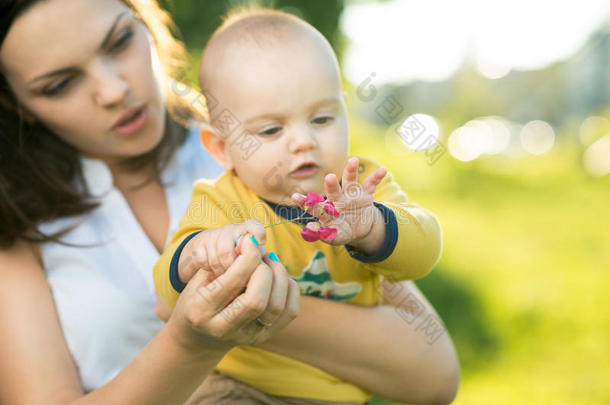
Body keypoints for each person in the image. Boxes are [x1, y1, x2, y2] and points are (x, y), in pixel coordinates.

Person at [0, 0, 459, 404]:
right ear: (14, 102)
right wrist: (189, 336)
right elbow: (169, 295)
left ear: (146, 20)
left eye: (120, 41)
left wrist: (374, 229)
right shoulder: (19, 224)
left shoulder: (274, 162)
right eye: (59, 84)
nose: (114, 90)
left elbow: (433, 373)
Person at [154, 8, 448, 405]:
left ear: (345, 111)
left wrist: (373, 227)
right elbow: (167, 299)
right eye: (272, 129)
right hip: (238, 387)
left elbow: (423, 251)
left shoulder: (360, 190)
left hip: (336, 393)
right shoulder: (221, 202)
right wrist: (194, 255)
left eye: (322, 118)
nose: (303, 141)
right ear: (221, 148)